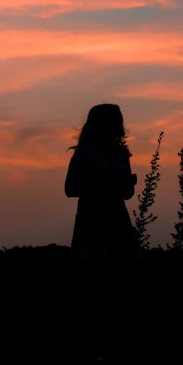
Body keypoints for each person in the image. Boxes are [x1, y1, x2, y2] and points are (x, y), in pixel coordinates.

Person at [65, 104, 139, 259]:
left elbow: (127, 194)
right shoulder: (84, 154)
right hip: (92, 226)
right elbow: (70, 189)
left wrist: (127, 183)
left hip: (119, 226)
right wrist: (106, 182)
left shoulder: (121, 154)